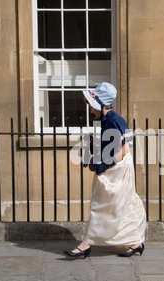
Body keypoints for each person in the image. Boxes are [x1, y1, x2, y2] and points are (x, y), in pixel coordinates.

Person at [63, 82, 147, 258]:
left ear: (99, 104)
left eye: (92, 106)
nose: (90, 109)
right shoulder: (107, 120)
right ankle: (136, 242)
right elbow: (113, 143)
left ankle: (86, 245)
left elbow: (125, 148)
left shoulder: (115, 119)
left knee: (102, 205)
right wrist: (94, 145)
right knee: (122, 206)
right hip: (114, 169)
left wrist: (104, 163)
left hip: (117, 171)